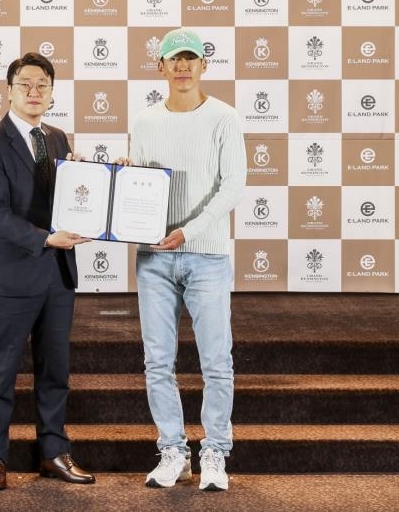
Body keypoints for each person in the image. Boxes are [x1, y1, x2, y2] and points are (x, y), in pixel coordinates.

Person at [122, 28, 246, 492]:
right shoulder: (145, 121)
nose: (182, 66)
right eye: (173, 59)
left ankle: (215, 452)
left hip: (206, 255)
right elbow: (143, 184)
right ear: (160, 67)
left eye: (190, 58)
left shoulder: (224, 118)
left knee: (216, 362)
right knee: (157, 362)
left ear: (203, 65)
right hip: (154, 256)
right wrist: (123, 180)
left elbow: (233, 185)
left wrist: (189, 231)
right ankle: (172, 451)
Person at [0, 52, 96, 491]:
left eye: (42, 84)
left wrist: (94, 186)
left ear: (52, 92)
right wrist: (45, 239)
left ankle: (54, 453)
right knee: (0, 371)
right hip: (14, 275)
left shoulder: (57, 139)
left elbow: (70, 203)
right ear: (9, 91)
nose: (34, 91)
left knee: (55, 371)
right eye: (25, 83)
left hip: (58, 274)